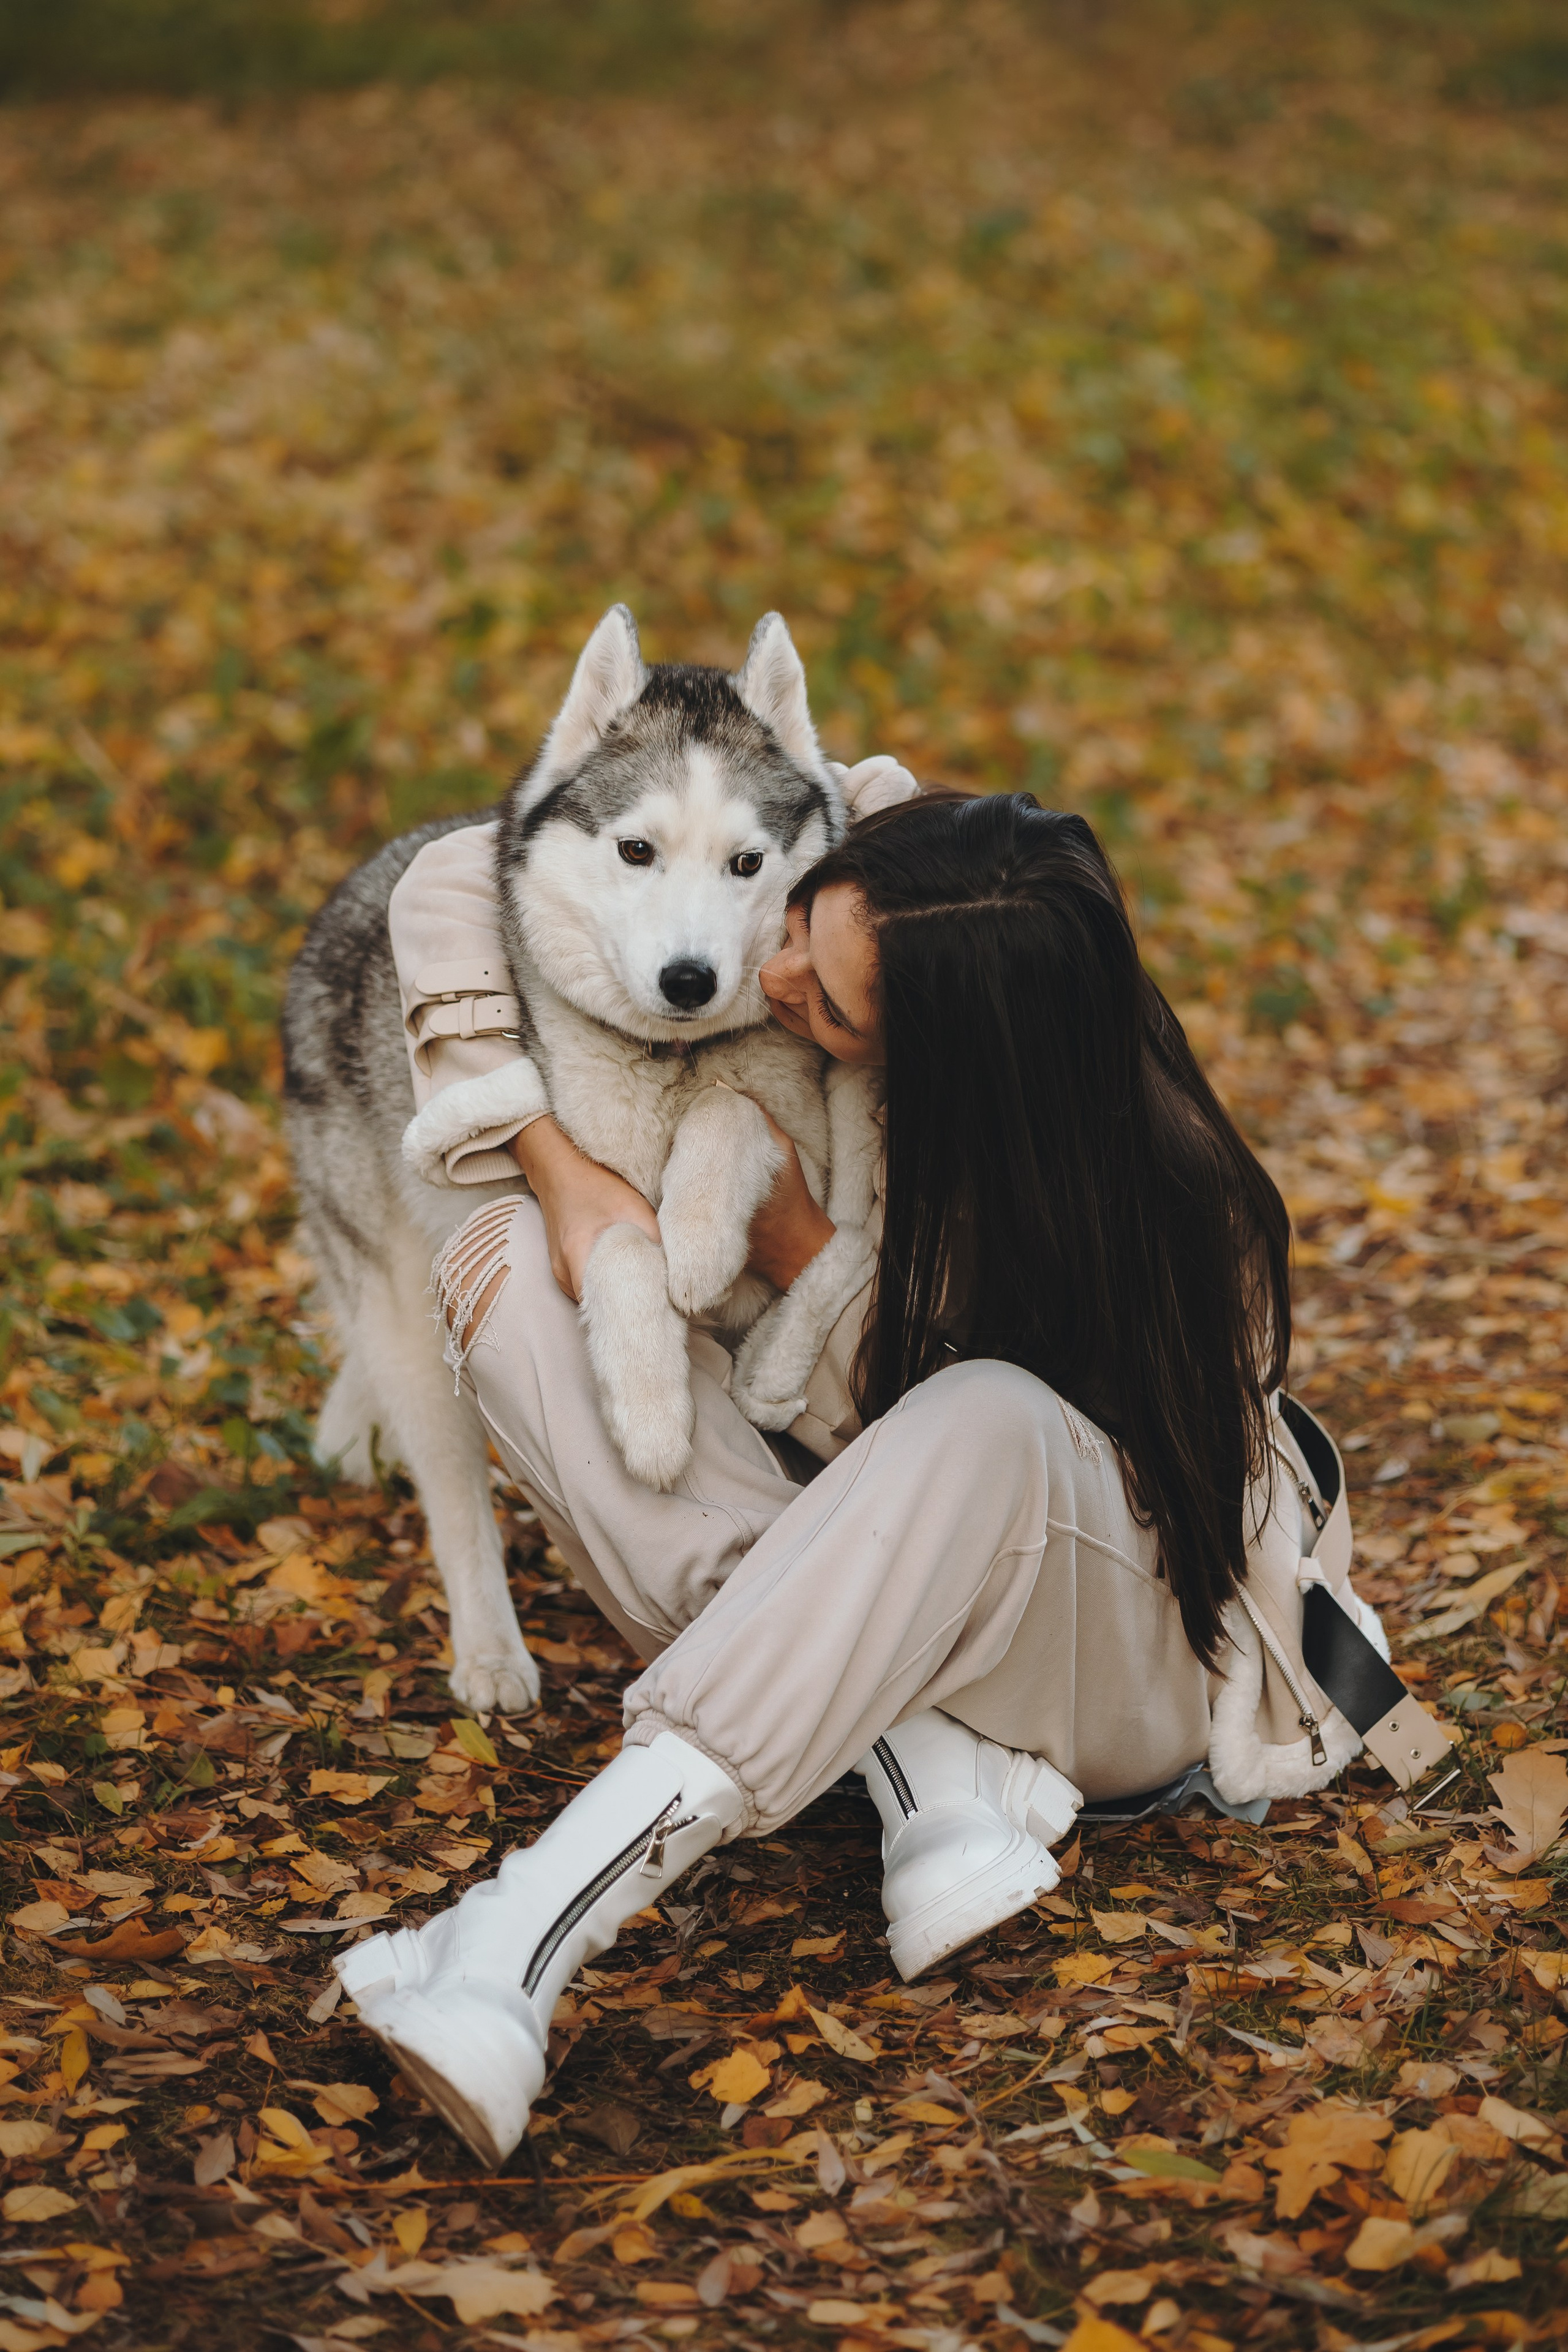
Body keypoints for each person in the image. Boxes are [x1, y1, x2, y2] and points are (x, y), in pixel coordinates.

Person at [334, 783, 1411, 2169]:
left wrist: (804, 1258)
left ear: (948, 1055)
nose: (770, 975)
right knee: (506, 1262)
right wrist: (553, 1168)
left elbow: (978, 1491)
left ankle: (511, 1942)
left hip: (1126, 1654)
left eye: (832, 1006)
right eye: (797, 922)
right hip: (872, 1599)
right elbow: (451, 874)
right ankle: (920, 1759)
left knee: (985, 1415)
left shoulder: (1173, 1209)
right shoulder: (923, 874)